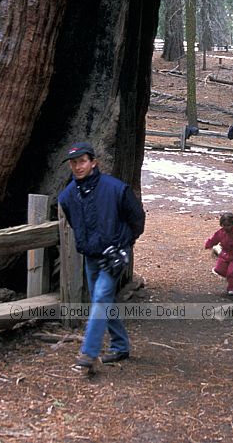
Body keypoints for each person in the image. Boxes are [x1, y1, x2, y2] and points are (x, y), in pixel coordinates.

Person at [58, 142, 145, 374]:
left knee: (100, 298)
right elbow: (75, 223)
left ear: (93, 162)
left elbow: (137, 218)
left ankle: (88, 354)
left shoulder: (116, 188)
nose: (78, 167)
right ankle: (120, 345)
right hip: (91, 257)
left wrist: (125, 244)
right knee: (104, 301)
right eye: (74, 163)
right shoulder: (68, 196)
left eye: (82, 161)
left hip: (113, 255)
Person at [204, 212, 233, 296]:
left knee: (231, 273)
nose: (226, 227)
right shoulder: (221, 232)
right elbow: (214, 238)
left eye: (228, 225)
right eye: (223, 225)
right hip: (225, 254)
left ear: (232, 224)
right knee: (219, 270)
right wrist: (209, 243)